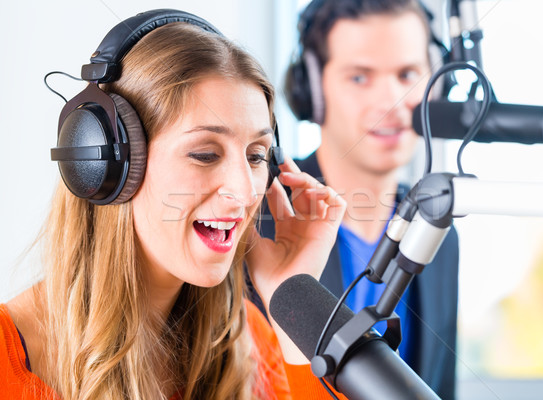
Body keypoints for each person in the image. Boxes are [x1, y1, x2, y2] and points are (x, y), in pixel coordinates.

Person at [0, 10, 347, 400]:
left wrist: (293, 298)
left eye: (255, 156)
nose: (245, 191)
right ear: (103, 167)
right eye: (204, 153)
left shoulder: (251, 342)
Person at [258, 0, 460, 398]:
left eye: (407, 74)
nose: (392, 102)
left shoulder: (438, 233)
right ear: (312, 91)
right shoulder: (256, 220)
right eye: (359, 77)